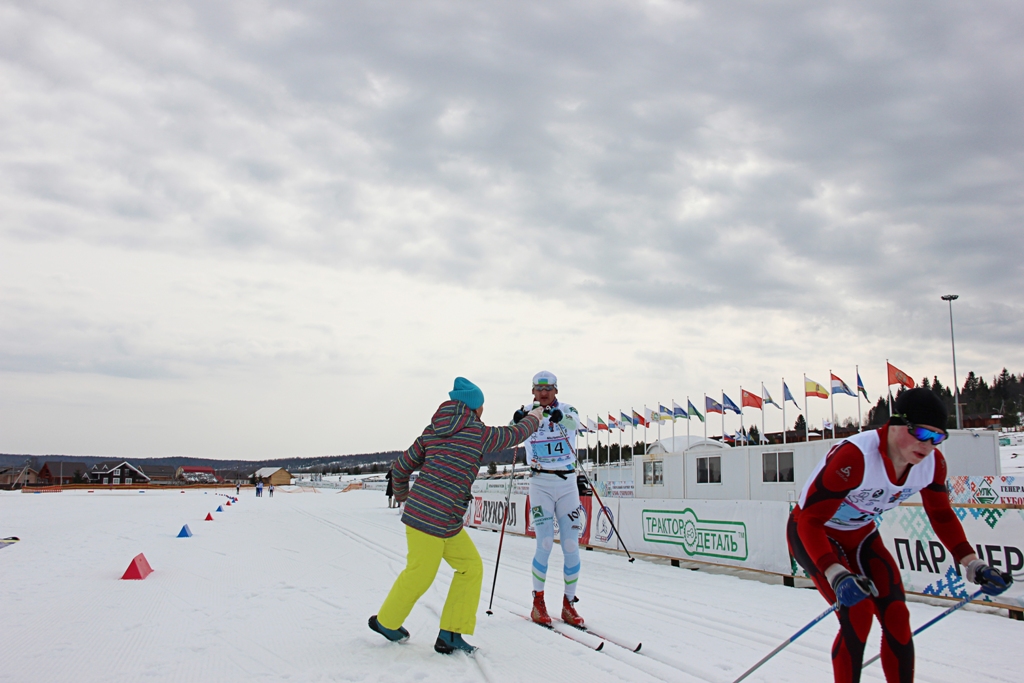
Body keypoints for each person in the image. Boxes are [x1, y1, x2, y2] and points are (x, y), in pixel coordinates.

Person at [788, 388, 1013, 683]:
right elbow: (811, 520)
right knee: (858, 614)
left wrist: (973, 564)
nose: (928, 445)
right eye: (921, 433)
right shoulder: (855, 457)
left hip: (860, 535)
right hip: (813, 533)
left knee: (896, 617)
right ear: (896, 424)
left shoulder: (932, 465)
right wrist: (835, 572)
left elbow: (942, 516)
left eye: (937, 438)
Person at [369, 377, 543, 654]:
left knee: (470, 568)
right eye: (482, 405)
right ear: (474, 407)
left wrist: (404, 497)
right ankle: (386, 622)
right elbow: (514, 436)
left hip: (441, 519)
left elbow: (400, 467)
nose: (484, 409)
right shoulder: (477, 432)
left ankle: (451, 633)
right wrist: (535, 416)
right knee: (420, 574)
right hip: (430, 520)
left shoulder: (432, 430)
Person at [513, 371, 587, 627]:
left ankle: (569, 604)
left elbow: (575, 423)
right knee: (544, 543)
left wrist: (561, 418)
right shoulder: (527, 411)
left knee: (570, 545)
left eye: (549, 389)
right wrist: (517, 421)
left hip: (567, 483)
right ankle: (538, 602)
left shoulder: (567, 408)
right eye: (538, 389)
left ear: (556, 390)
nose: (544, 393)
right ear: (533, 391)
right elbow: (515, 433)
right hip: (540, 482)